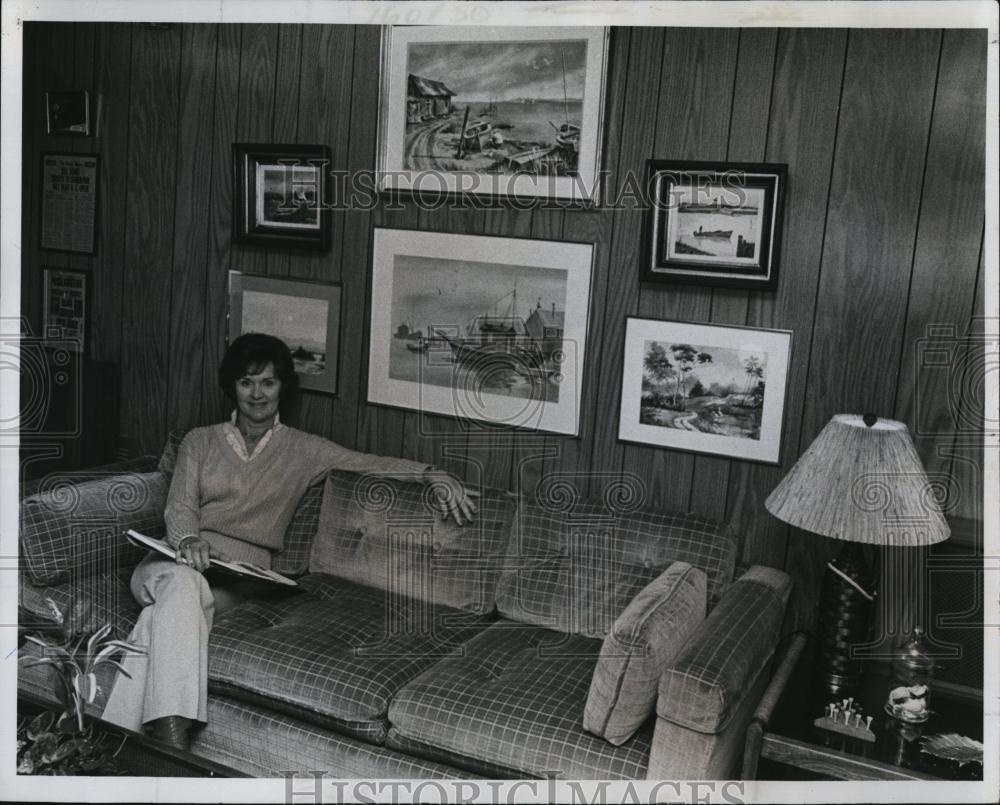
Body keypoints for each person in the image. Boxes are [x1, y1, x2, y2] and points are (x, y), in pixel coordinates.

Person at [101, 333, 477, 748]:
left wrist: (430, 473)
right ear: (233, 386)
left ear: (283, 387)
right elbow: (180, 506)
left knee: (161, 619)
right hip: (170, 562)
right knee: (184, 584)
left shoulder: (304, 449)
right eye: (247, 382)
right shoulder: (199, 441)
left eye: (268, 382)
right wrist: (187, 539)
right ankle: (173, 738)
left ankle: (112, 743)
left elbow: (367, 462)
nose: (257, 394)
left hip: (235, 581)